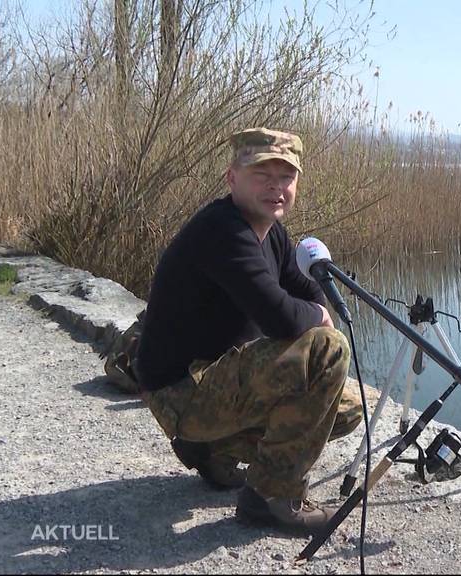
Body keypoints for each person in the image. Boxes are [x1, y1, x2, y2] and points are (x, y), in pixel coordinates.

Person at [134, 127, 361, 534]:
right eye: (262, 175)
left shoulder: (271, 232)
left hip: (213, 379)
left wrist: (312, 310)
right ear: (231, 178)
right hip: (181, 390)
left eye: (286, 178)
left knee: (346, 409)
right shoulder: (224, 231)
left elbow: (304, 291)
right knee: (328, 350)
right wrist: (316, 317)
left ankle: (214, 451)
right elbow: (282, 317)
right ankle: (271, 497)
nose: (276, 187)